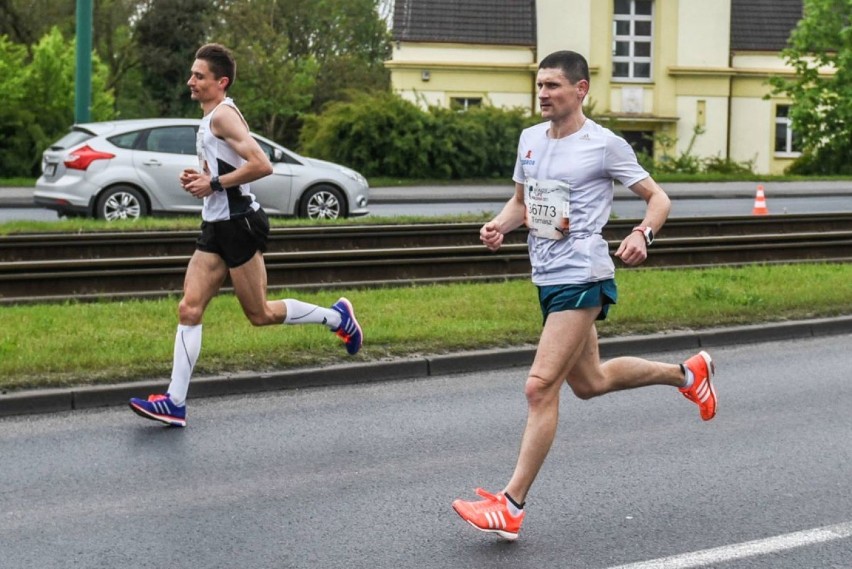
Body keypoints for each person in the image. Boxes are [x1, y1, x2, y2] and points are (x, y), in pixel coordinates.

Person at [451, 51, 716, 541]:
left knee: (539, 387)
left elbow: (659, 199)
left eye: (553, 85)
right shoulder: (530, 139)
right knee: (590, 382)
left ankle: (510, 505)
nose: (544, 94)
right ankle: (687, 373)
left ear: (581, 90)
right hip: (546, 277)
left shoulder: (604, 145)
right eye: (540, 86)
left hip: (584, 275)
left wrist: (643, 235)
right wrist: (498, 226)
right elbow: (520, 203)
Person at [129, 43, 362, 428]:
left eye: (199, 76)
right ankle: (174, 402)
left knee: (260, 313)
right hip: (215, 225)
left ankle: (337, 318)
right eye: (192, 74)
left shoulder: (224, 117)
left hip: (239, 225)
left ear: (220, 82)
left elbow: (262, 164)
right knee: (189, 308)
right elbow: (224, 168)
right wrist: (201, 178)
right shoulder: (210, 118)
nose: (191, 81)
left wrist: (214, 182)